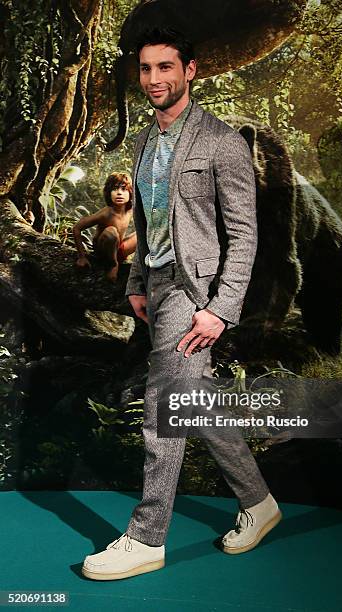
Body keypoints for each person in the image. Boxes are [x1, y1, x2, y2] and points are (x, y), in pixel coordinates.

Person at [81, 27, 282, 581]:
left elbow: (244, 235)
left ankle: (147, 538)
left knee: (163, 402)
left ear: (189, 71)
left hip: (197, 293)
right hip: (159, 286)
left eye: (165, 67)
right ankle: (259, 502)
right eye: (146, 69)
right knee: (196, 399)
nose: (154, 79)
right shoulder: (144, 146)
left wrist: (220, 308)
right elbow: (147, 225)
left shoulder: (221, 141)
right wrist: (137, 284)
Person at [73, 172, 137, 282]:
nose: (119, 193)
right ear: (108, 192)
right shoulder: (106, 213)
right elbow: (77, 228)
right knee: (111, 232)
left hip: (118, 250)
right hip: (103, 252)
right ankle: (113, 265)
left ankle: (142, 264)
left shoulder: (130, 210)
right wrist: (81, 257)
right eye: (115, 189)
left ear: (131, 192)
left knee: (147, 231)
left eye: (124, 189)